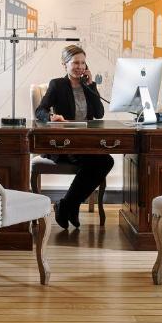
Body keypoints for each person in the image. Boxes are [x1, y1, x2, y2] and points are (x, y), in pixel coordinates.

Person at [34, 44, 114, 229]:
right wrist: (51, 117)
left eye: (83, 63)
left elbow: (100, 113)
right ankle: (72, 204)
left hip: (86, 142)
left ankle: (68, 204)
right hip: (64, 143)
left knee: (106, 161)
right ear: (65, 64)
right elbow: (40, 110)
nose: (80, 67)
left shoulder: (88, 86)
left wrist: (91, 84)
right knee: (100, 162)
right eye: (75, 63)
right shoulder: (57, 85)